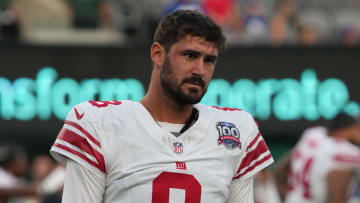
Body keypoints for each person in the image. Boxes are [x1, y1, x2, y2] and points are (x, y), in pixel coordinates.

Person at [50, 10, 273, 202]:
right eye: (190, 55)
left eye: (209, 60)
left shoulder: (236, 129)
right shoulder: (98, 123)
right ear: (158, 54)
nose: (200, 70)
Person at [274, 113, 360, 203]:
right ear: (343, 131)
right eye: (356, 129)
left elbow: (280, 171)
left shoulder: (312, 134)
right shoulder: (345, 150)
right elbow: (336, 198)